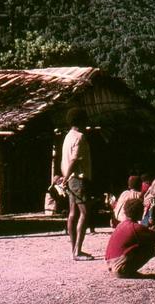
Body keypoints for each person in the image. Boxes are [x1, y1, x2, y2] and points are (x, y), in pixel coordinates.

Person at [61, 107, 93, 261]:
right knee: (84, 213)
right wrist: (67, 178)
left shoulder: (68, 136)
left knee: (72, 213)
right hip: (77, 179)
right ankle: (77, 251)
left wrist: (64, 178)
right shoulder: (80, 137)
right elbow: (74, 160)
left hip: (70, 179)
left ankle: (74, 250)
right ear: (80, 120)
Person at [105, 198, 155, 278]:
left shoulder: (121, 224)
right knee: (151, 249)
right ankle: (128, 271)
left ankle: (127, 270)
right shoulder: (136, 227)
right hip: (119, 268)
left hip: (110, 264)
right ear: (139, 212)